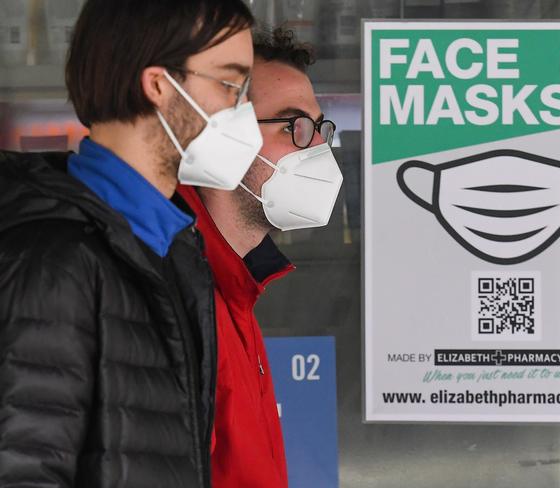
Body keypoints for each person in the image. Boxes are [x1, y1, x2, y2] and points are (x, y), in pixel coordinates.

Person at [0, 1, 258, 486]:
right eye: (228, 84)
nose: (242, 110)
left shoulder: (171, 249)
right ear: (159, 85)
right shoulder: (54, 261)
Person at [177, 27, 343, 488]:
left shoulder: (234, 289)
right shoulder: (176, 296)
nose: (317, 149)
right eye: (294, 126)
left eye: (320, 127)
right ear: (218, 138)